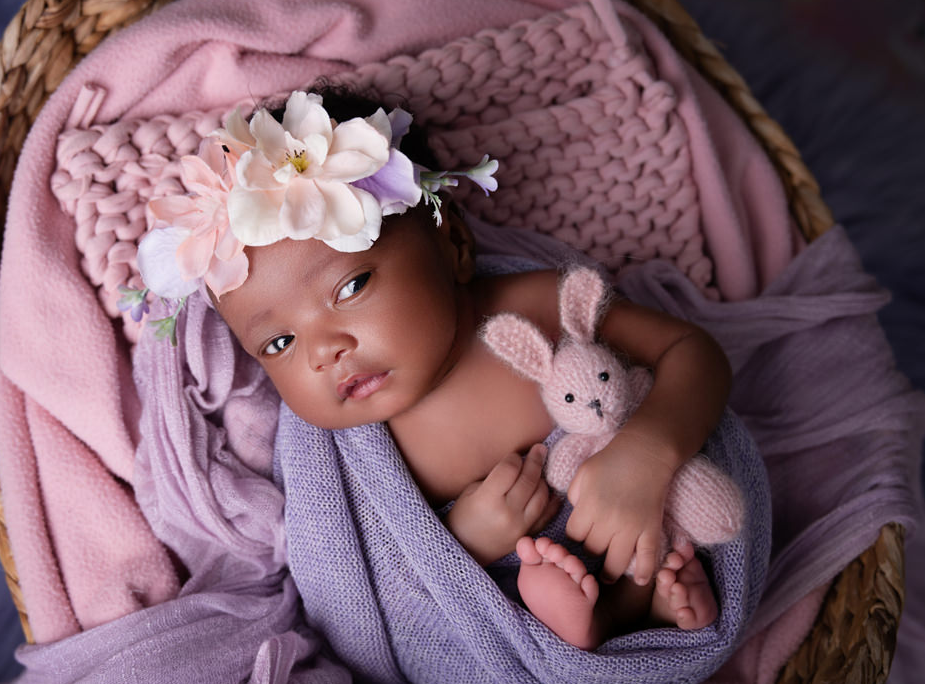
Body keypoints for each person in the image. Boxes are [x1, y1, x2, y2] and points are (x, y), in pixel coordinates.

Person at [133, 87, 733, 651]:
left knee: (666, 534)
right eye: (280, 341)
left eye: (351, 287)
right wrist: (465, 543)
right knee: (506, 608)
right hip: (502, 607)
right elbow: (374, 605)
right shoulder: (350, 462)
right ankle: (595, 626)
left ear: (453, 247)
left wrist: (647, 453)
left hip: (640, 509)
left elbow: (689, 350)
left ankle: (639, 603)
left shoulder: (536, 307)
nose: (323, 351)